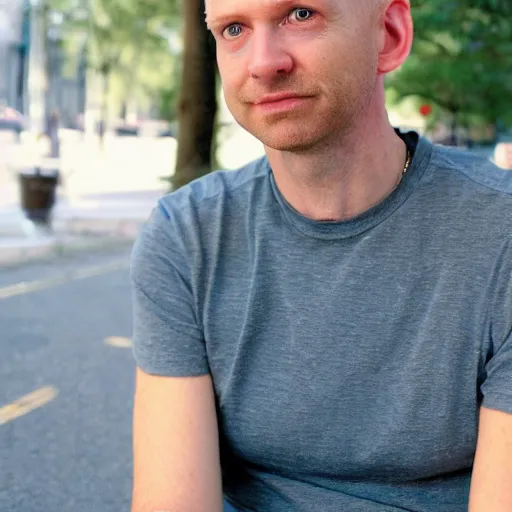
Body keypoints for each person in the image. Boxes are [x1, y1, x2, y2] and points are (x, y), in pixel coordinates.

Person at [129, 0, 512, 510]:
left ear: (390, 35)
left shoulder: (498, 234)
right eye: (234, 28)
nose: (264, 62)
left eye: (300, 15)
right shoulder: (187, 238)